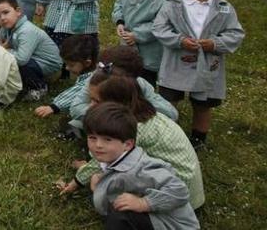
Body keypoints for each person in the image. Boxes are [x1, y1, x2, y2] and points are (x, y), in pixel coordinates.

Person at [63, 70, 205, 212]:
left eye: (96, 101)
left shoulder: (132, 128)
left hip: (177, 200)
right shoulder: (146, 115)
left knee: (102, 180)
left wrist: (77, 181)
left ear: (115, 103)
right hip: (186, 190)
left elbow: (102, 160)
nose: (90, 106)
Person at [153, 0, 244, 150]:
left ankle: (198, 140)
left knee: (203, 104)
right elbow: (159, 29)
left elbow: (236, 33)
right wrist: (179, 40)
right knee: (169, 102)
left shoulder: (223, 8)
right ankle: (169, 136)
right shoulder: (171, 4)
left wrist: (215, 44)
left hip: (208, 66)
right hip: (176, 62)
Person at [73, 102, 200, 230]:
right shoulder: (114, 158)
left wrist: (144, 203)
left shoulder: (142, 168)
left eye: (107, 139)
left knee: (120, 217)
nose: (98, 145)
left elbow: (179, 190)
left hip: (171, 225)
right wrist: (102, 183)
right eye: (92, 137)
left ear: (128, 144)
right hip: (153, 218)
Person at [112, 0, 172, 86]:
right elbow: (118, 4)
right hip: (126, 46)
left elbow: (160, 23)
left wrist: (137, 35)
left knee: (144, 84)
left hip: (149, 54)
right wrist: (119, 22)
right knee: (125, 78)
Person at [0, 0, 63, 101]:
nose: (2, 18)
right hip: (32, 58)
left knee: (21, 64)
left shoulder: (27, 30)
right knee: (7, 58)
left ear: (18, 11)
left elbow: (21, 59)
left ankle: (39, 87)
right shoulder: (5, 29)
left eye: (6, 12)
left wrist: (4, 49)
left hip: (49, 64)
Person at [33, 35, 99, 140]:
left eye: (71, 65)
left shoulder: (91, 79)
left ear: (87, 63)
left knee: (71, 123)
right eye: (66, 64)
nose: (67, 68)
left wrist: (54, 107)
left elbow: (75, 92)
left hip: (98, 115)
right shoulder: (96, 71)